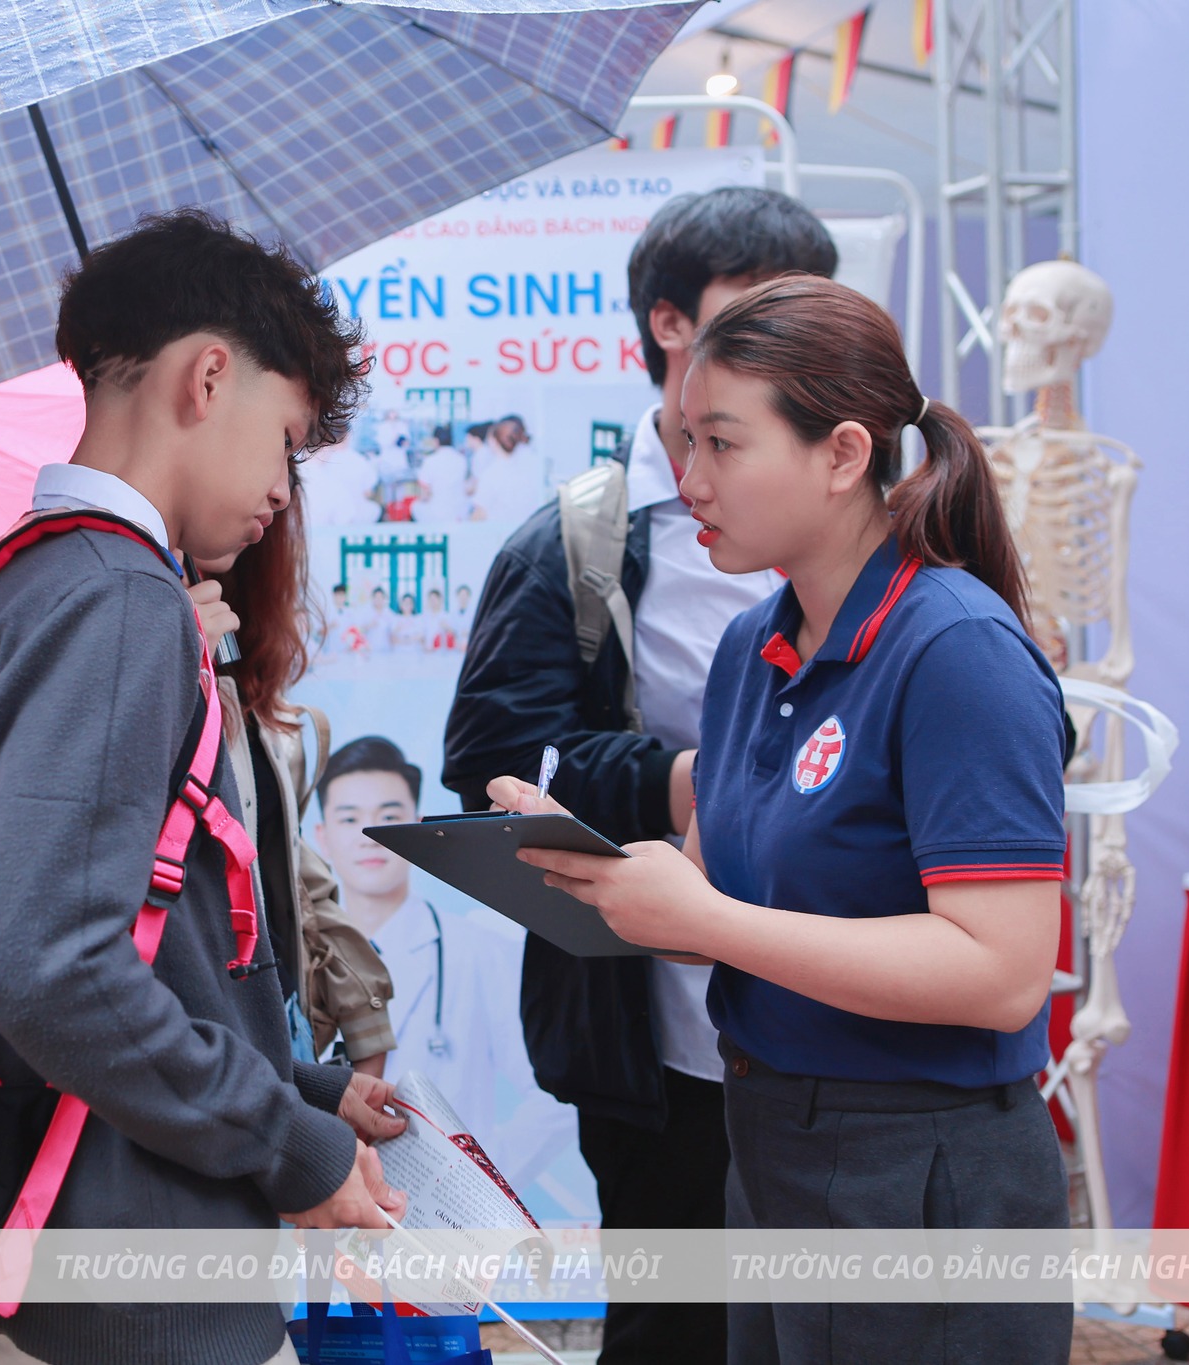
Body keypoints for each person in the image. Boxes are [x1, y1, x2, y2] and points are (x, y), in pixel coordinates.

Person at [504, 275, 1073, 1363]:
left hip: (921, 1166)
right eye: (681, 440)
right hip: (765, 1137)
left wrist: (702, 919)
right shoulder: (752, 647)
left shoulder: (953, 650)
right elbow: (713, 891)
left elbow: (1000, 970)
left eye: (721, 443)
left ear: (842, 454)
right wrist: (583, 866)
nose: (688, 479)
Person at [0, 209, 402, 1365]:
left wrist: (300, 1090)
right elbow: (48, 961)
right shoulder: (115, 601)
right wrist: (287, 1147)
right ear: (208, 376)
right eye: (286, 440)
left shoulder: (30, 575)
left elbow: (155, 950)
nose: (279, 492)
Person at [441, 185, 838, 1363]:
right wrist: (687, 783)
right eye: (758, 308)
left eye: (809, 308)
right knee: (676, 1328)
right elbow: (490, 760)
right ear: (670, 328)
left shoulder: (873, 522)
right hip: (662, 1037)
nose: (789, 336)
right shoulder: (582, 540)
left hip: (854, 1035)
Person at [189, 486, 397, 1075]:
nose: (278, 483)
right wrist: (166, 663)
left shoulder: (240, 656)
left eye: (291, 451)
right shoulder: (144, 642)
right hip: (207, 1052)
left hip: (284, 1031)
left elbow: (280, 858)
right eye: (278, 443)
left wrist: (360, 1006)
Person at [310, 737, 576, 1194]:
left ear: (415, 825)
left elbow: (555, 1096)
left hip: (451, 1226)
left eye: (389, 817)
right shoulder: (297, 954)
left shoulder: (480, 949)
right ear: (322, 837)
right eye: (350, 819)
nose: (370, 834)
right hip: (325, 1201)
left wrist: (481, 1179)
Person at [415, 426, 473, 522]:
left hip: (438, 512)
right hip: (460, 510)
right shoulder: (461, 459)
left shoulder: (430, 461)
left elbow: (425, 494)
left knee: (416, 507)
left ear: (436, 441)